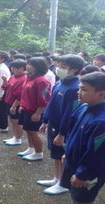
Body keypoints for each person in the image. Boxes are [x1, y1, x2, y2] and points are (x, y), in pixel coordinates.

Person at [60, 72, 105, 204]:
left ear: (101, 94)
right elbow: (72, 132)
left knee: (82, 200)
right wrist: (67, 152)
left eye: (84, 89)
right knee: (75, 197)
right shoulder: (83, 106)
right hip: (74, 162)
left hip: (88, 171)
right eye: (79, 88)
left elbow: (96, 153)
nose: (78, 92)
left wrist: (83, 174)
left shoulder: (104, 122)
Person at [38, 55, 84, 195]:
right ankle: (56, 178)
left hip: (63, 128)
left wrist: (62, 133)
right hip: (53, 123)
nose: (59, 69)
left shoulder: (74, 87)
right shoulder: (60, 82)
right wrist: (45, 120)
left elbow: (69, 114)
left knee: (64, 155)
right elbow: (51, 104)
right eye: (58, 66)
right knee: (55, 154)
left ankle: (63, 183)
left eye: (63, 67)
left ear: (74, 69)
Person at [17, 57, 51, 161]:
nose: (27, 66)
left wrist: (38, 113)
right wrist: (22, 105)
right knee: (28, 130)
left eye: (31, 65)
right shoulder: (30, 77)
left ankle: (38, 153)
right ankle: (31, 148)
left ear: (38, 67)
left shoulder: (41, 81)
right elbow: (25, 94)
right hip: (27, 109)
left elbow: (44, 99)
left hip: (34, 111)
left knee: (33, 132)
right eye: (28, 64)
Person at [1, 59, 27, 146]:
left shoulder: (23, 79)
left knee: (17, 122)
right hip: (9, 101)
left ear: (22, 68)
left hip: (15, 103)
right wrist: (4, 80)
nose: (12, 69)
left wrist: (14, 106)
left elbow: (20, 95)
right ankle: (14, 136)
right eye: (12, 67)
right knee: (12, 120)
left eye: (15, 68)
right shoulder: (13, 77)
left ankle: (18, 138)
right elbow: (6, 87)